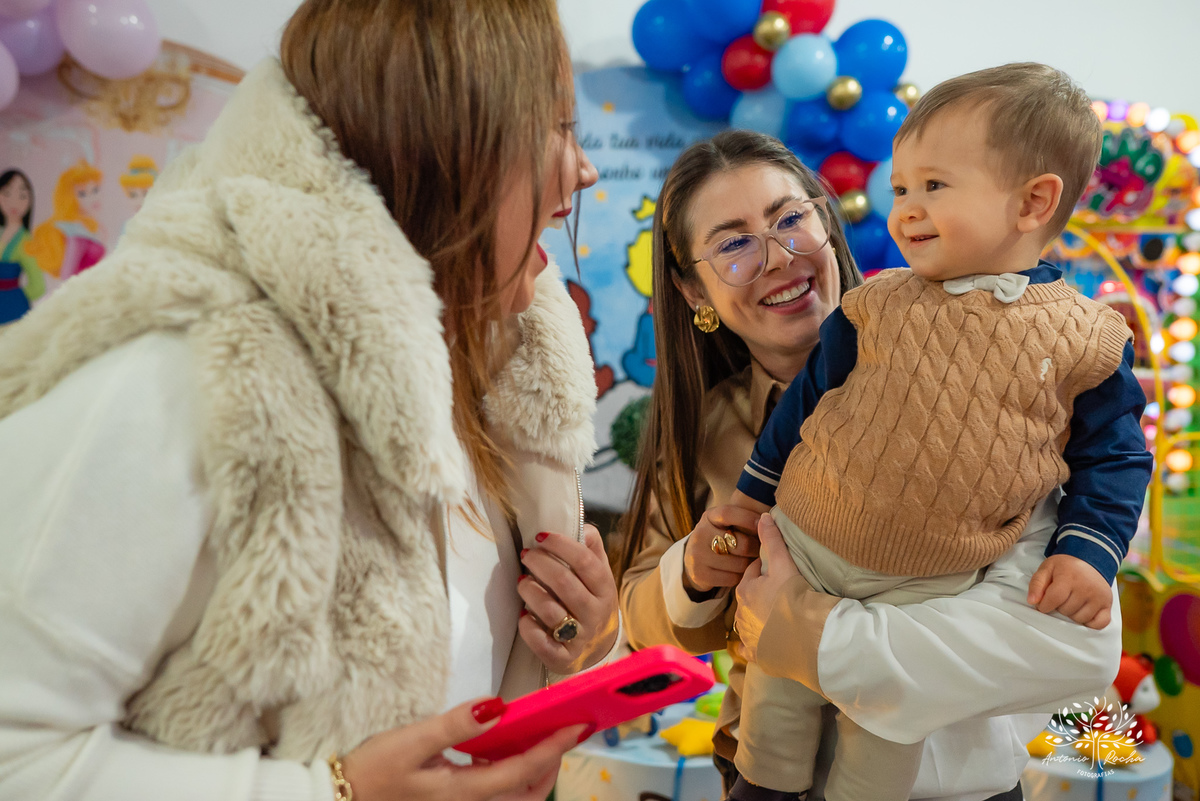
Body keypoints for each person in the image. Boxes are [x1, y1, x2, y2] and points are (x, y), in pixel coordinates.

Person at [0, 2, 618, 800]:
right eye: (556, 128)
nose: (585, 169)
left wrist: (577, 639)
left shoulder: (487, 381)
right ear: (439, 148)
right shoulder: (191, 374)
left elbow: (467, 671)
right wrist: (332, 791)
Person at [617, 128, 1126, 801]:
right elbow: (639, 616)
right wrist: (693, 570)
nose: (778, 257)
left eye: (790, 219)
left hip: (945, 786)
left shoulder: (980, 370)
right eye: (734, 243)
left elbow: (1069, 643)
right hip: (760, 775)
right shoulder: (704, 429)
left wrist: (813, 628)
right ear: (692, 290)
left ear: (828, 225)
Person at [727, 63, 1152, 801]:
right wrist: (750, 495)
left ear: (1033, 202)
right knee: (770, 741)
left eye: (933, 186)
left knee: (882, 742)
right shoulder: (877, 303)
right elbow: (806, 405)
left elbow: (1114, 455)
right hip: (805, 541)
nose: (906, 208)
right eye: (899, 188)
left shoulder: (1083, 338)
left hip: (921, 591)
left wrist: (1088, 550)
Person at [25, 159, 106, 279]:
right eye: (82, 194)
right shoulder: (75, 233)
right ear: (70, 198)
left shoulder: (85, 227)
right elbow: (67, 275)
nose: (93, 198)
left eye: (95, 190)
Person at [0, 169, 45, 324]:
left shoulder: (25, 241)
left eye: (22, 196)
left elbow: (38, 285)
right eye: (7, 193)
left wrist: (15, 298)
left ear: (30, 200)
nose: (14, 202)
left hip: (13, 313)